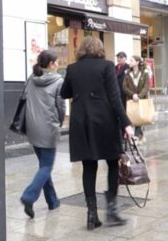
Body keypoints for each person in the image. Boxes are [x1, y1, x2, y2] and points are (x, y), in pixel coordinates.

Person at [60, 37, 134, 230]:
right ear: (100, 49)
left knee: (89, 166)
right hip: (104, 120)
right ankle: (111, 210)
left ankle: (91, 214)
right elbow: (115, 97)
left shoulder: (72, 68)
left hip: (80, 121)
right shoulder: (107, 66)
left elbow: (64, 92)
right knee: (112, 163)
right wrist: (126, 123)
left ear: (81, 50)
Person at [20, 50, 65, 219]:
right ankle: (29, 196)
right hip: (48, 128)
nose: (58, 64)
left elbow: (24, 98)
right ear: (52, 63)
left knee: (43, 167)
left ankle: (53, 201)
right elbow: (61, 107)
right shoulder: (58, 81)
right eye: (57, 61)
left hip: (32, 127)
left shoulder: (32, 78)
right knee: (46, 167)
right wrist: (58, 123)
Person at [123, 55, 151, 143]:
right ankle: (140, 135)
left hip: (141, 99)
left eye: (131, 61)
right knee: (132, 117)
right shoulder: (127, 73)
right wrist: (132, 95)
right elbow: (124, 87)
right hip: (131, 99)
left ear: (137, 62)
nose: (129, 62)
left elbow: (146, 86)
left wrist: (139, 96)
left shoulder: (145, 72)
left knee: (139, 117)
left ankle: (136, 136)